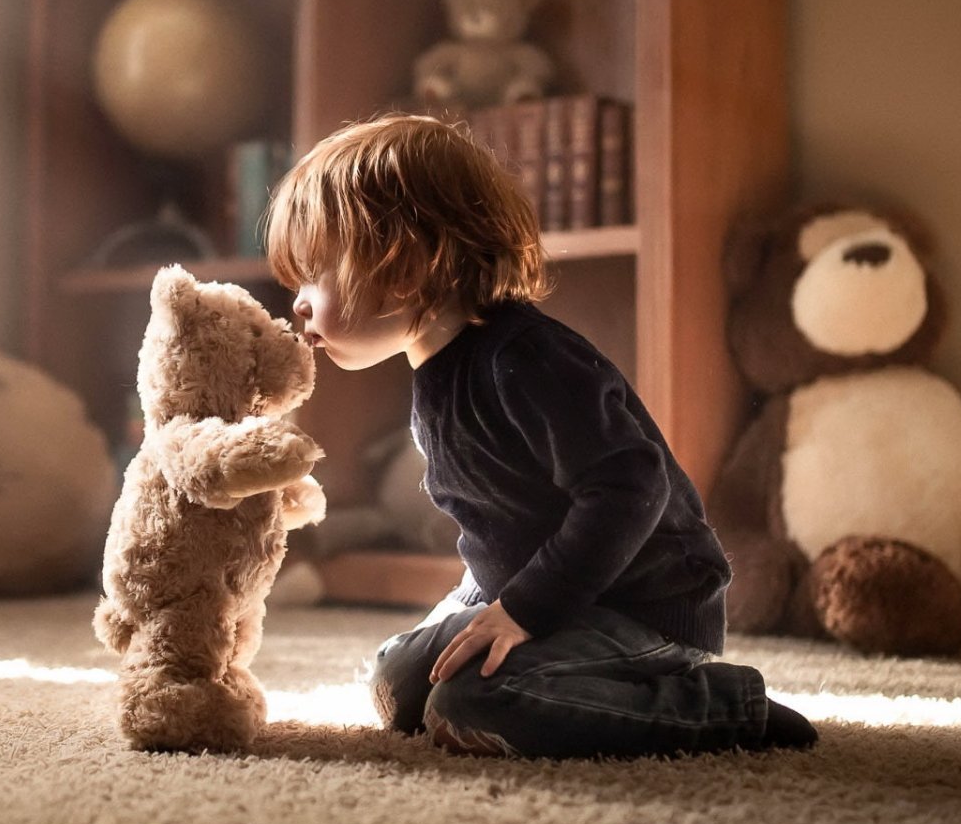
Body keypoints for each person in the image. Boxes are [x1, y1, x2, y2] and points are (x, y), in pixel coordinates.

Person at [263, 112, 817, 759]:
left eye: (315, 275)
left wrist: (522, 612)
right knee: (398, 682)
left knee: (474, 703)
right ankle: (534, 659)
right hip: (543, 595)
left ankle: (724, 704)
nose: (298, 301)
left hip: (642, 606)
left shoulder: (524, 359)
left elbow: (630, 485)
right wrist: (486, 609)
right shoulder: (436, 369)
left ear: (405, 268)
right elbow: (506, 527)